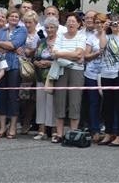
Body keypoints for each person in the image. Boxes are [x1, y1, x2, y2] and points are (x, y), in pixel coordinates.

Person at [50, 12, 86, 143]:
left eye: (73, 21)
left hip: (76, 70)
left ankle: (73, 133)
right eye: (69, 21)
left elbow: (79, 54)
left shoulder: (82, 37)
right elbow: (54, 53)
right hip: (60, 70)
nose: (71, 23)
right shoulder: (60, 35)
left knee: (75, 101)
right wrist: (70, 55)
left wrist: (61, 54)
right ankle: (59, 134)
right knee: (59, 99)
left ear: (78, 24)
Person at [98, 14, 119, 147]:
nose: (115, 26)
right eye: (112, 23)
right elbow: (101, 46)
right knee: (107, 105)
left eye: (117, 23)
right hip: (106, 74)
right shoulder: (107, 36)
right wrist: (104, 30)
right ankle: (108, 132)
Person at [0, 9, 26, 138]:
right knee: (1, 95)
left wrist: (0, 44)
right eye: (11, 16)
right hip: (1, 66)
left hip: (14, 66)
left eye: (16, 16)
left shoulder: (21, 30)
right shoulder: (0, 31)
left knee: (13, 96)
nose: (13, 18)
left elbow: (14, 44)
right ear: (7, 18)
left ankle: (12, 126)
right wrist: (1, 45)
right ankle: (2, 126)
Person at [33, 17, 58, 140]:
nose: (49, 29)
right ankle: (41, 130)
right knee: (40, 103)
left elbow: (60, 59)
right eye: (47, 27)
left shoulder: (60, 41)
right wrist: (36, 62)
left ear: (56, 28)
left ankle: (53, 130)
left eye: (52, 27)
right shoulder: (41, 41)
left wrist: (49, 64)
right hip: (40, 75)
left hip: (53, 76)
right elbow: (35, 56)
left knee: (52, 103)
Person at [82, 11, 104, 142]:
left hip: (107, 74)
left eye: (101, 22)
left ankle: (108, 130)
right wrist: (96, 54)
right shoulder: (91, 37)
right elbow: (86, 55)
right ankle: (94, 129)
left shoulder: (109, 35)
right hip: (91, 74)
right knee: (93, 102)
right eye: (97, 22)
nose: (99, 24)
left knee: (107, 103)